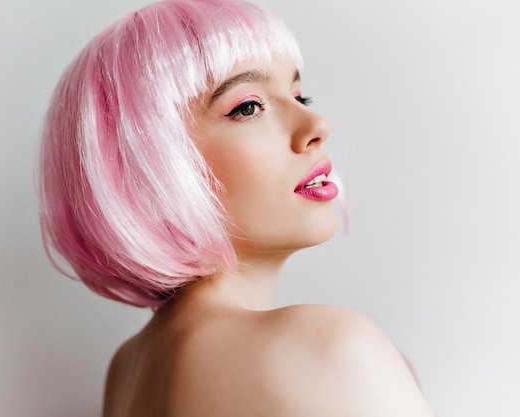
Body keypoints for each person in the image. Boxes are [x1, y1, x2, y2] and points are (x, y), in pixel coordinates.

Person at [38, 0, 435, 415]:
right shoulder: (325, 348)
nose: (317, 126)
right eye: (248, 107)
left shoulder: (127, 370)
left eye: (300, 95)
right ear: (148, 164)